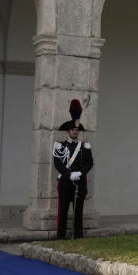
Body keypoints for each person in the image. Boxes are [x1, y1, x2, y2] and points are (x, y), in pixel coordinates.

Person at [52, 99, 93, 240]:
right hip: (65, 182)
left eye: (77, 130)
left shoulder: (85, 146)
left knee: (78, 212)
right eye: (73, 130)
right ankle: (61, 236)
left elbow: (90, 163)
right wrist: (69, 174)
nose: (75, 132)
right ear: (68, 131)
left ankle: (78, 236)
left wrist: (80, 173)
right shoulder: (60, 146)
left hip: (80, 182)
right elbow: (58, 163)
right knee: (62, 211)